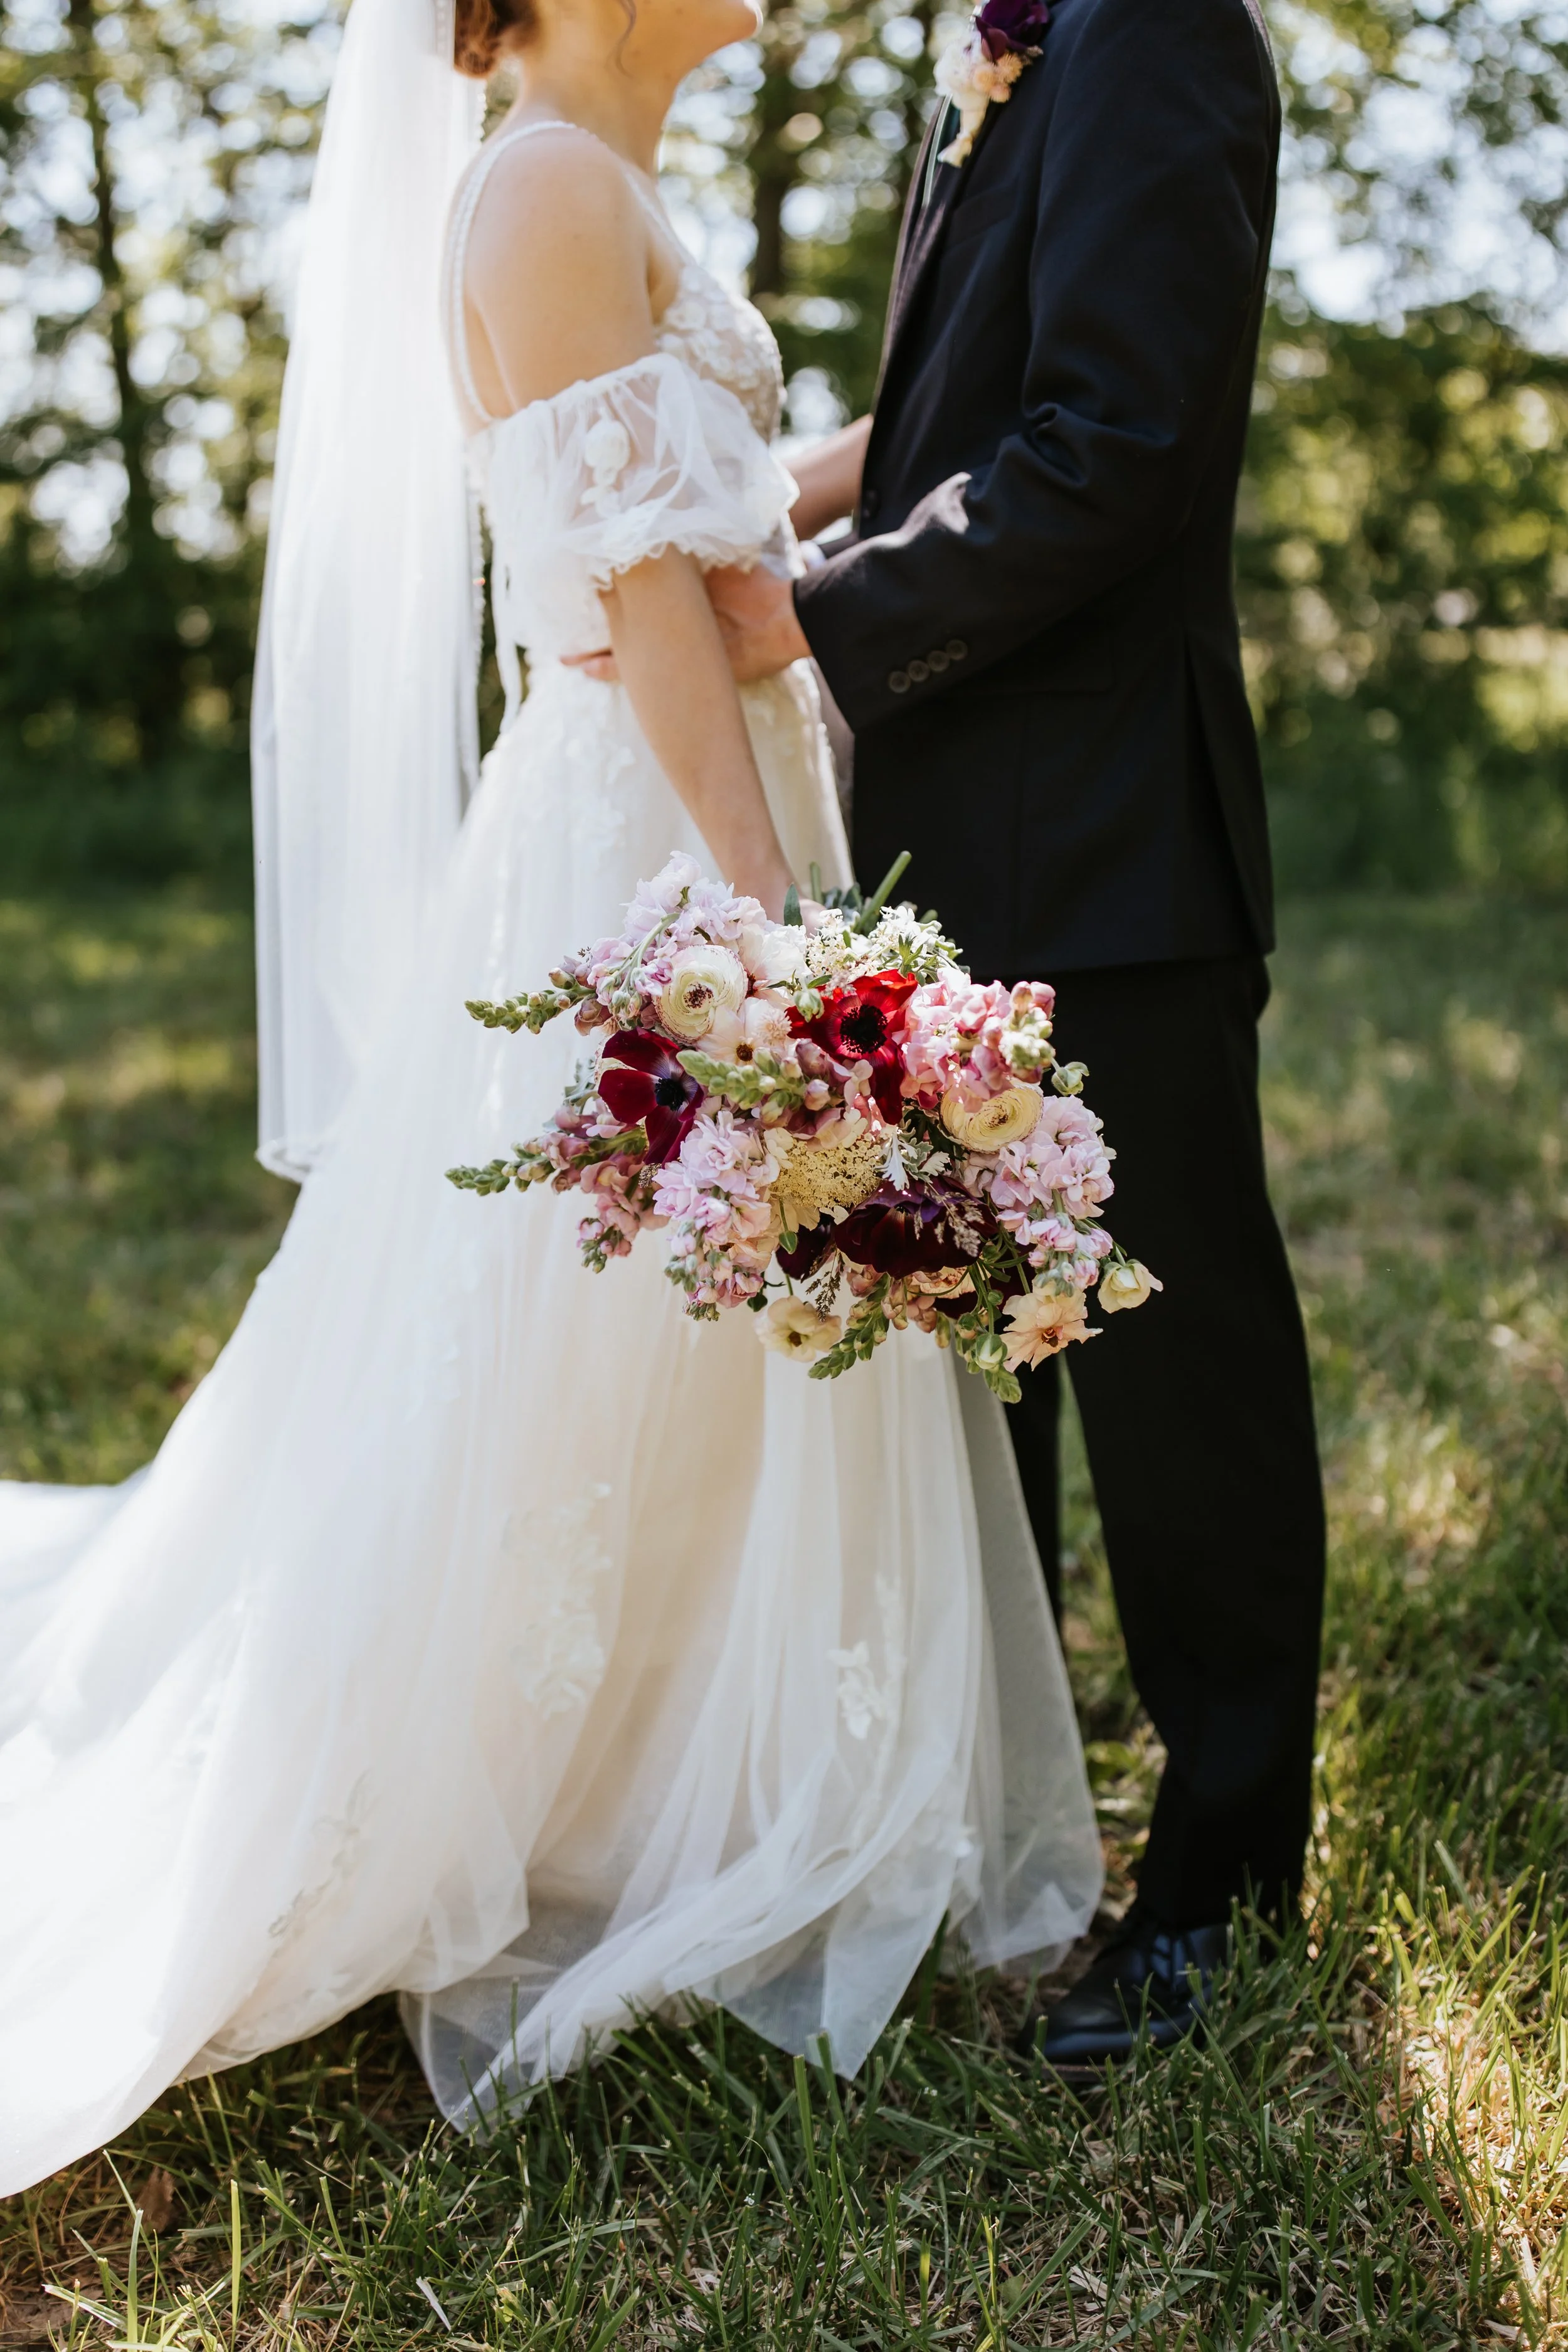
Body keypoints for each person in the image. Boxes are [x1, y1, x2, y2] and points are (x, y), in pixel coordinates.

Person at [0, 0, 1105, 2197]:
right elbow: (633, 601)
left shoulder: (598, 188)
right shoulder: (537, 191)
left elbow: (698, 524)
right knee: (605, 1301)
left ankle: (678, 1750)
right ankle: (568, 1790)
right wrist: (784, 929)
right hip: (649, 833)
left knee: (684, 1320)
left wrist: (914, 442)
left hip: (689, 803)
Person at [673, 0, 1328, 2062]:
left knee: (1176, 1375)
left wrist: (820, 608)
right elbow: (968, 413)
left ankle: (1226, 1888)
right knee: (978, 1386)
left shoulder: (1158, 35)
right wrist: (786, 501)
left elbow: (1119, 445)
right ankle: (984, 1826)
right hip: (952, 845)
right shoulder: (1006, 57)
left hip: (1113, 849)